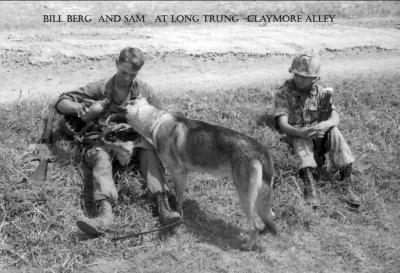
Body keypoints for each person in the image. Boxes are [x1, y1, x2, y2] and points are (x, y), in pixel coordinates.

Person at [55, 47, 180, 235]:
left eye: (132, 74)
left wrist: (134, 143)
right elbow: (61, 102)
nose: (127, 78)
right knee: (100, 158)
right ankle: (104, 216)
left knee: (150, 154)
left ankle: (163, 207)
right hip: (104, 140)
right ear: (116, 64)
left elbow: (161, 127)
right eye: (124, 72)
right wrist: (78, 108)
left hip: (135, 141)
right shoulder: (100, 88)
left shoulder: (145, 92)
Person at [273, 52, 361, 208]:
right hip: (296, 138)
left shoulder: (321, 93)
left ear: (315, 79)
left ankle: (345, 183)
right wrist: (300, 132)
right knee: (301, 139)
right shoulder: (284, 93)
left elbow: (335, 117)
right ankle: (309, 185)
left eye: (304, 76)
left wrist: (325, 125)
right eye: (296, 74)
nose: (298, 78)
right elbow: (282, 124)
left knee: (334, 131)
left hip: (318, 139)